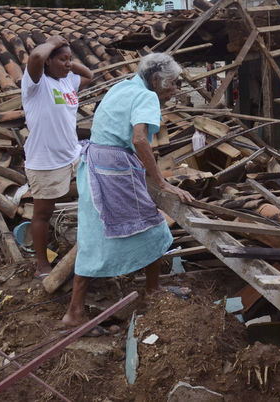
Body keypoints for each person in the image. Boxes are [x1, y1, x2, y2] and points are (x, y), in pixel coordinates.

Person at [61, 53, 193, 330]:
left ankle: (76, 311)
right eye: (173, 84)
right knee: (156, 229)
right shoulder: (147, 97)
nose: (174, 91)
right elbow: (139, 138)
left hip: (96, 164)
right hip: (113, 170)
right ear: (156, 81)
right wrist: (160, 181)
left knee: (93, 239)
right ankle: (152, 291)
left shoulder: (123, 86)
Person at [22, 35, 93, 278]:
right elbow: (36, 57)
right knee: (43, 213)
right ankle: (42, 266)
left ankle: (83, 250)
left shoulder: (67, 82)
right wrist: (52, 42)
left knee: (89, 201)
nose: (67, 64)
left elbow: (90, 75)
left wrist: (68, 63)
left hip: (73, 155)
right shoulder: (35, 84)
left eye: (70, 60)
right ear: (48, 61)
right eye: (62, 60)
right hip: (45, 161)